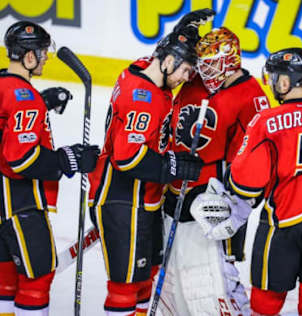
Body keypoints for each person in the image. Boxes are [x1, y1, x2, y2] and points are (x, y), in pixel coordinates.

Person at [202, 44, 302, 315]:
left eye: (273, 79)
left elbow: (246, 184)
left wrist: (231, 178)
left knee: (266, 302)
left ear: (284, 81)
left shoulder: (266, 120)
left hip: (284, 222)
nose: (270, 84)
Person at [0, 21, 99, 316]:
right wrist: (69, 159)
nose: (45, 57)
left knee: (6, 276)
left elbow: (7, 125)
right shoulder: (23, 100)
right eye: (41, 52)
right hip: (19, 203)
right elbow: (20, 159)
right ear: (29, 57)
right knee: (37, 279)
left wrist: (42, 101)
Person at [87, 15, 208, 315]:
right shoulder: (144, 98)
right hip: (121, 200)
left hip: (145, 199)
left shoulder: (145, 68)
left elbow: (162, 56)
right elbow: (127, 157)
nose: (185, 78)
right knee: (125, 289)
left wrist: (183, 33)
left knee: (144, 280)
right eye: (184, 70)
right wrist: (174, 167)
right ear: (167, 62)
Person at [158, 26, 270, 316]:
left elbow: (256, 160)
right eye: (200, 63)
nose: (201, 70)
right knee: (175, 271)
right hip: (173, 184)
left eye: (209, 64)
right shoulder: (195, 81)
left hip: (213, 196)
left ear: (229, 61)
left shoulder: (252, 97)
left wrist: (238, 204)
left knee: (217, 276)